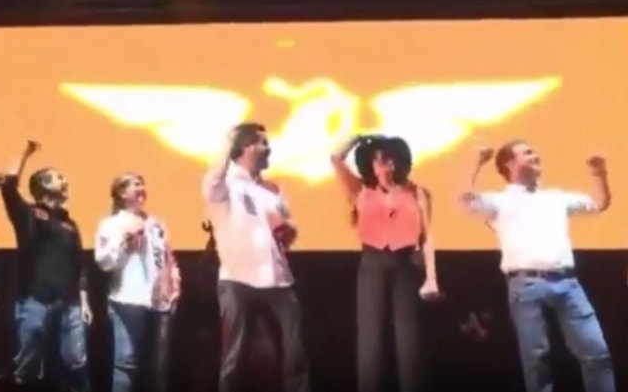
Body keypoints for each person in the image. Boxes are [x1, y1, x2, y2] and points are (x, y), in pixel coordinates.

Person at [460, 140, 614, 392]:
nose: (535, 156)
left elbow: (599, 203)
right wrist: (476, 163)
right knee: (537, 361)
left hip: (567, 283)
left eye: (534, 152)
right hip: (526, 285)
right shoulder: (499, 201)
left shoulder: (556, 198)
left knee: (596, 353)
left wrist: (599, 174)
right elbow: (465, 201)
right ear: (509, 164)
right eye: (527, 153)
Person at [202, 123, 310, 392]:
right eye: (262, 143)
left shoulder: (272, 190)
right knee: (235, 357)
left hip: (278, 281)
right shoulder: (226, 185)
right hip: (238, 281)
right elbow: (212, 180)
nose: (268, 148)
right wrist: (229, 140)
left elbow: (290, 233)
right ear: (245, 148)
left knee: (294, 352)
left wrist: (287, 230)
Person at [330, 134, 439, 392]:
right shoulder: (360, 191)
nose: (385, 166)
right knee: (371, 337)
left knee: (409, 338)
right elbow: (336, 158)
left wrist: (431, 277)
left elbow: (427, 237)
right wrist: (359, 138)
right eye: (378, 161)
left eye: (390, 160)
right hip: (373, 265)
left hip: (406, 265)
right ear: (370, 165)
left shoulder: (417, 192)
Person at [1, 140, 92, 392]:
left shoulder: (69, 223)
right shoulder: (28, 214)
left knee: (76, 360)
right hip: (35, 298)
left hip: (69, 301)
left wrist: (84, 301)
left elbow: (79, 263)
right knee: (29, 360)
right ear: (41, 185)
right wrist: (24, 152)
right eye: (58, 177)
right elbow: (8, 186)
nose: (65, 181)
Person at [94, 173, 181, 392]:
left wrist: (175, 282)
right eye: (136, 185)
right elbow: (103, 262)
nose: (142, 189)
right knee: (127, 362)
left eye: (143, 184)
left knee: (159, 365)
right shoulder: (111, 224)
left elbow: (167, 257)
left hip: (159, 302)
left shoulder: (155, 223)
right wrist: (124, 241)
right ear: (122, 193)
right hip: (127, 301)